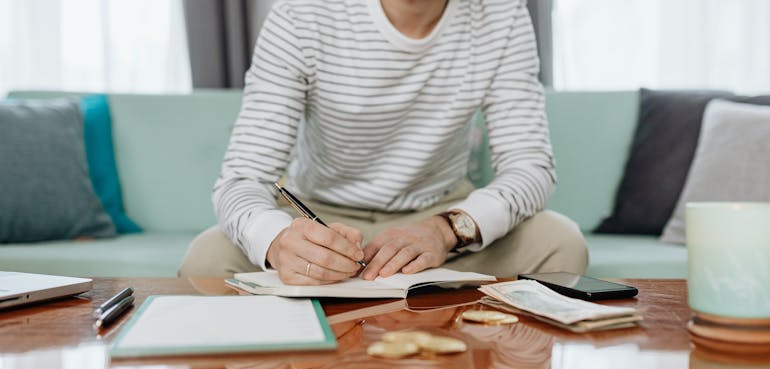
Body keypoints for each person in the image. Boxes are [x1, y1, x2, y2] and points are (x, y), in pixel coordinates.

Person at [179, 0, 588, 283]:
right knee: (206, 259)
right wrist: (281, 242)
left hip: (441, 216)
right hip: (321, 218)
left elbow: (530, 166)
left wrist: (446, 230)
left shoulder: (503, 15)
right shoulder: (300, 14)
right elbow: (242, 178)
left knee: (560, 244)